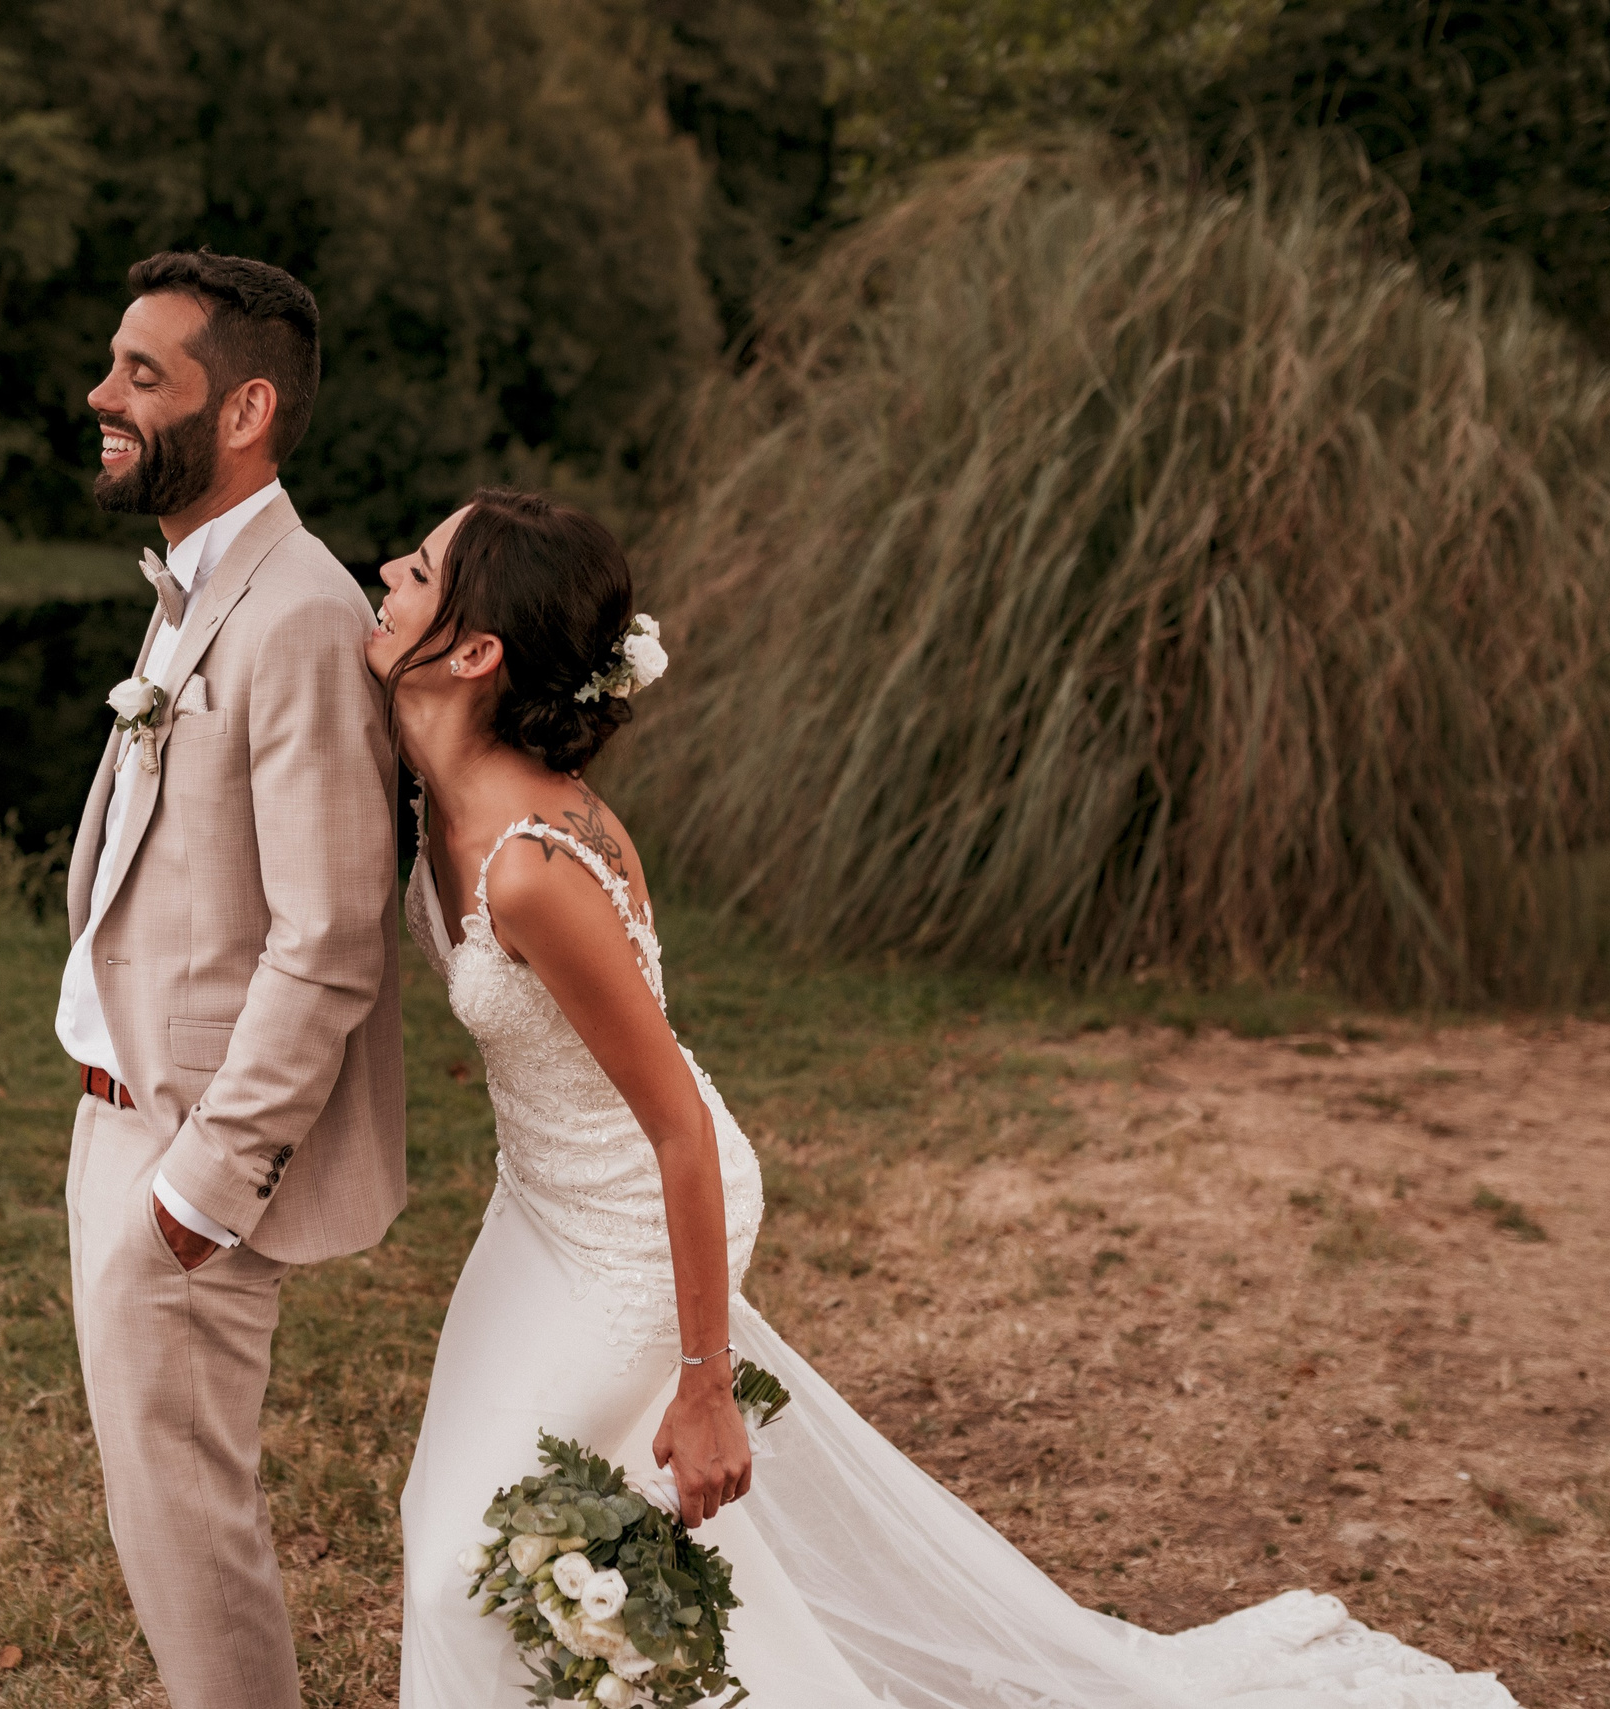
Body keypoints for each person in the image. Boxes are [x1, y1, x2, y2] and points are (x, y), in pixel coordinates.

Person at [376, 489, 1518, 1708]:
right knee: (468, 1523)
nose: (387, 569)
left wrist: (705, 1384)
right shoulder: (417, 755)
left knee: (466, 1565)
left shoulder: (537, 869)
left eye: (420, 565)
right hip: (534, 1206)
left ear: (475, 650)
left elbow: (680, 1130)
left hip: (635, 1224)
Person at [57, 249, 404, 1709]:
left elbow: (330, 933)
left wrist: (207, 1181)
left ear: (246, 406)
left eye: (146, 373)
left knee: (196, 1540)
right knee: (163, 1524)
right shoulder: (202, 578)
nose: (104, 393)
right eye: (113, 364)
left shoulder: (303, 612)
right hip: (121, 1116)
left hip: (193, 1150)